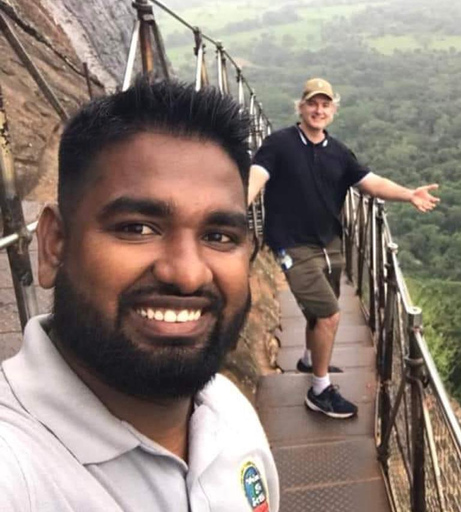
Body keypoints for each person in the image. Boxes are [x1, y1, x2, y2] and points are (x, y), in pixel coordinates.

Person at [0, 81, 279, 511]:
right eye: (137, 228)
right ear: (54, 243)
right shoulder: (17, 469)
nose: (186, 274)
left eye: (219, 235)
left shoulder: (229, 412)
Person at [249, 78, 439, 419]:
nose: (318, 110)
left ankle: (309, 359)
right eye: (312, 104)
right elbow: (258, 174)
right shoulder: (279, 143)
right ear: (301, 107)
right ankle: (319, 390)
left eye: (325, 105)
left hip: (329, 243)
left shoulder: (338, 152)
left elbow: (371, 183)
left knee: (318, 310)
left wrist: (409, 194)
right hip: (292, 244)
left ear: (333, 110)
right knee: (328, 313)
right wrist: (236, 205)